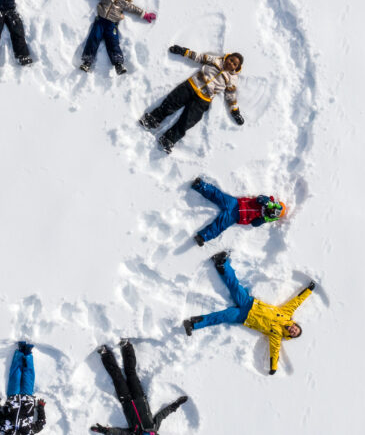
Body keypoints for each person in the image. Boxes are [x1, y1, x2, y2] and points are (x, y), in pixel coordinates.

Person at [182, 251, 315, 375]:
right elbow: (296, 302)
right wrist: (308, 290)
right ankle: (221, 262)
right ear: (295, 325)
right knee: (234, 286)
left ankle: (193, 324)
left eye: (293, 333)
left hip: (243, 317)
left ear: (290, 335)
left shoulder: (277, 335)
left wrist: (273, 367)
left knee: (222, 316)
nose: (292, 330)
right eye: (295, 329)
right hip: (249, 303)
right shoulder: (286, 314)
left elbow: (274, 351)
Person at [139, 45, 246, 153]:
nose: (231, 63)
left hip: (204, 99)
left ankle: (169, 139)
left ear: (236, 68)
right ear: (227, 57)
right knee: (172, 102)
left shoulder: (232, 79)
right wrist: (183, 51)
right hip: (191, 85)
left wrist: (235, 111)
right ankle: (152, 119)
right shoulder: (216, 60)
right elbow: (199, 57)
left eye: (234, 64)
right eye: (231, 60)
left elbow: (230, 95)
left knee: (188, 120)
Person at [91, 340, 188, 434]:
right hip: (139, 396)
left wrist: (106, 431)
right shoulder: (154, 427)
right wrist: (176, 404)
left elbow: (120, 432)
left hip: (126, 401)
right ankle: (126, 347)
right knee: (131, 373)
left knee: (118, 378)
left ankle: (105, 354)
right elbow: (162, 415)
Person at [70, 0, 156, 75]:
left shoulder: (123, 3)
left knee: (113, 42)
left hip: (112, 25)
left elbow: (133, 9)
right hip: (100, 22)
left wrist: (145, 15)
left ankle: (118, 64)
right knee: (93, 38)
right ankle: (87, 62)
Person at [187, 177, 286, 246]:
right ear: (275, 204)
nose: (272, 211)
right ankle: (200, 185)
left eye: (275, 213)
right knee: (218, 196)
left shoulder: (262, 218)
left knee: (219, 226)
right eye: (274, 209)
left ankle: (203, 237)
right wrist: (267, 203)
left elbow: (254, 224)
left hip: (235, 217)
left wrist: (264, 219)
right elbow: (259, 199)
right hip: (235, 203)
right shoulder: (266, 201)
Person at [0, 341, 47, 434]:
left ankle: (20, 352)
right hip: (27, 398)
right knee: (28, 376)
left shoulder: (5, 429)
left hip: (13, 397)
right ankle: (28, 354)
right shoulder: (29, 432)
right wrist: (40, 408)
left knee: (15, 375)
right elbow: (41, 423)